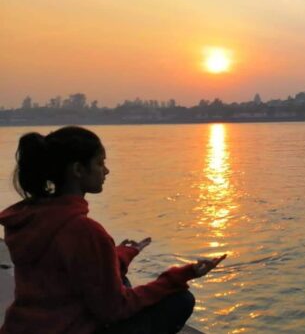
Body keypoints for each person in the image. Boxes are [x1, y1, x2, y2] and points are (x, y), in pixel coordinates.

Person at [0, 126, 226, 334]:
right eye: (100, 163)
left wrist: (123, 253)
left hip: (23, 327)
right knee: (180, 300)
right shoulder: (83, 230)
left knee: (121, 281)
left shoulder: (29, 219)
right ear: (78, 169)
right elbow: (114, 309)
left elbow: (68, 269)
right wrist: (181, 275)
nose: (106, 171)